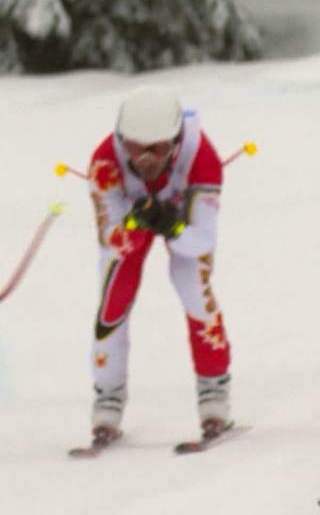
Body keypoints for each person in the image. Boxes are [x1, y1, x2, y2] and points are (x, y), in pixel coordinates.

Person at [86, 84, 232, 445]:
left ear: (177, 141)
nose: (145, 159)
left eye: (158, 148)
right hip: (133, 220)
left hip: (182, 215)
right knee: (114, 296)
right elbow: (112, 240)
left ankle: (213, 390)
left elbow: (202, 240)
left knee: (192, 285)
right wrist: (139, 222)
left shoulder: (202, 157)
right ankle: (108, 396)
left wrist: (171, 224)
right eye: (134, 147)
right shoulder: (105, 163)